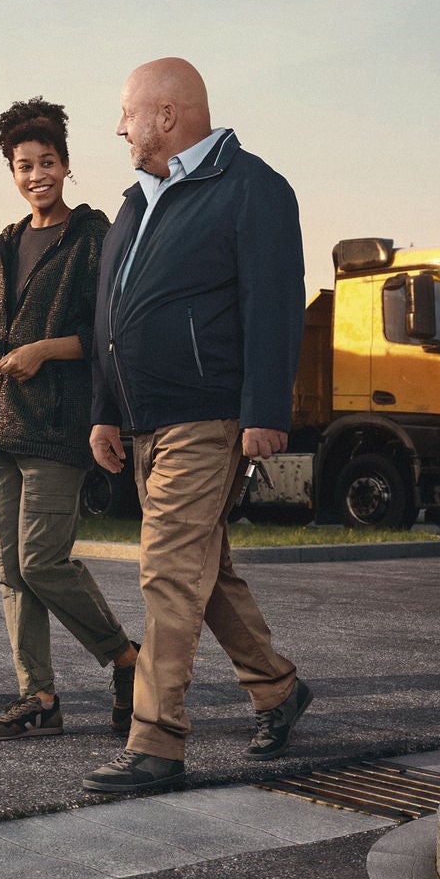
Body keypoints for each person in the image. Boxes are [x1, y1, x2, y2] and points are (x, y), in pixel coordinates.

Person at [80, 58, 313, 793]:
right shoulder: (136, 201)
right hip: (144, 419)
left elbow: (275, 302)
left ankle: (157, 743)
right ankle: (278, 690)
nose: (119, 127)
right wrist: (104, 410)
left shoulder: (252, 189)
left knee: (168, 574)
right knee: (205, 577)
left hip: (205, 416)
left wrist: (266, 413)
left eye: (127, 112)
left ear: (169, 114)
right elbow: (108, 317)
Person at [0, 98, 141, 741]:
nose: (35, 174)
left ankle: (126, 660)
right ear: (11, 171)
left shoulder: (91, 239)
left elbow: (105, 332)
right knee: (10, 570)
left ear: (66, 165)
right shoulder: (3, 243)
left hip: (58, 425)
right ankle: (37, 696)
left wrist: (44, 350)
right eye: (22, 165)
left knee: (42, 561)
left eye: (46, 162)